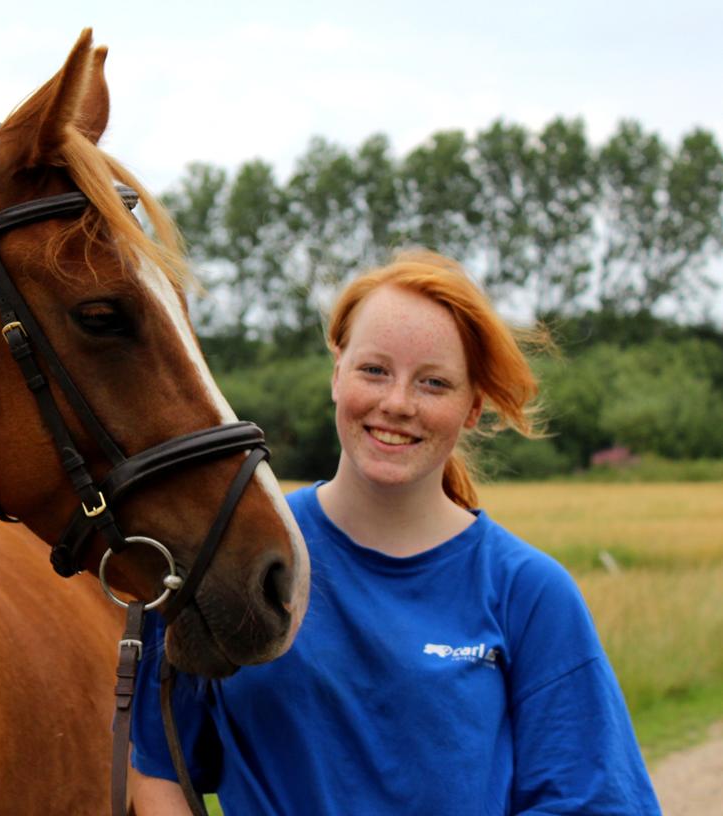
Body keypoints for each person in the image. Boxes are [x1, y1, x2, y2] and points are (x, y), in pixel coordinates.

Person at [129, 250, 660, 814]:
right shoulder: (232, 561)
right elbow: (158, 770)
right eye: (374, 370)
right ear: (337, 373)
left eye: (433, 383)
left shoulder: (528, 594)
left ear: (473, 407)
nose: (397, 403)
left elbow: (594, 800)